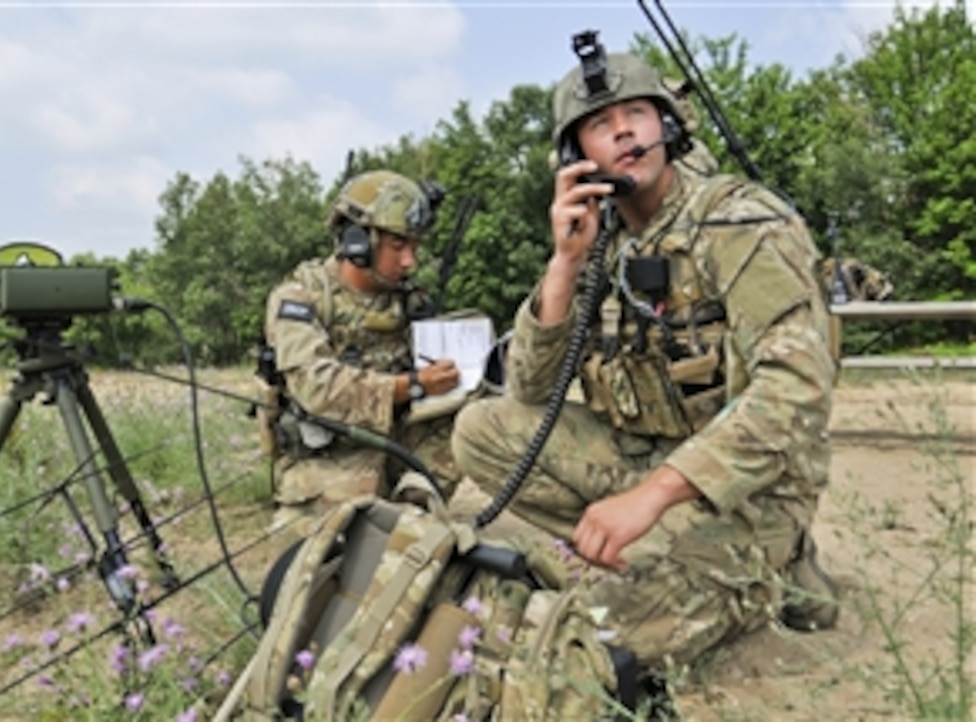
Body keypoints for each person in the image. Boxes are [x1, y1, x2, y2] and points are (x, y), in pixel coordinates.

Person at [451, 47, 840, 671]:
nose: (625, 130)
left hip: (748, 491)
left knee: (597, 642)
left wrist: (653, 498)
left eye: (637, 112)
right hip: (646, 461)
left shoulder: (738, 220)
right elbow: (526, 392)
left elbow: (797, 391)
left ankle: (767, 567)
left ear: (670, 126)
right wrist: (564, 265)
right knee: (479, 430)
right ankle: (654, 549)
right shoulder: (600, 240)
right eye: (601, 124)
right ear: (577, 157)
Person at [262, 169, 464, 535]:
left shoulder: (409, 300)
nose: (410, 262)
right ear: (357, 241)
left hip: (398, 446)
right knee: (344, 550)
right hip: (332, 455)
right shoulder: (299, 298)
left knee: (468, 425)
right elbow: (316, 386)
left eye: (415, 247)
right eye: (398, 246)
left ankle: (416, 510)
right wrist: (413, 385)